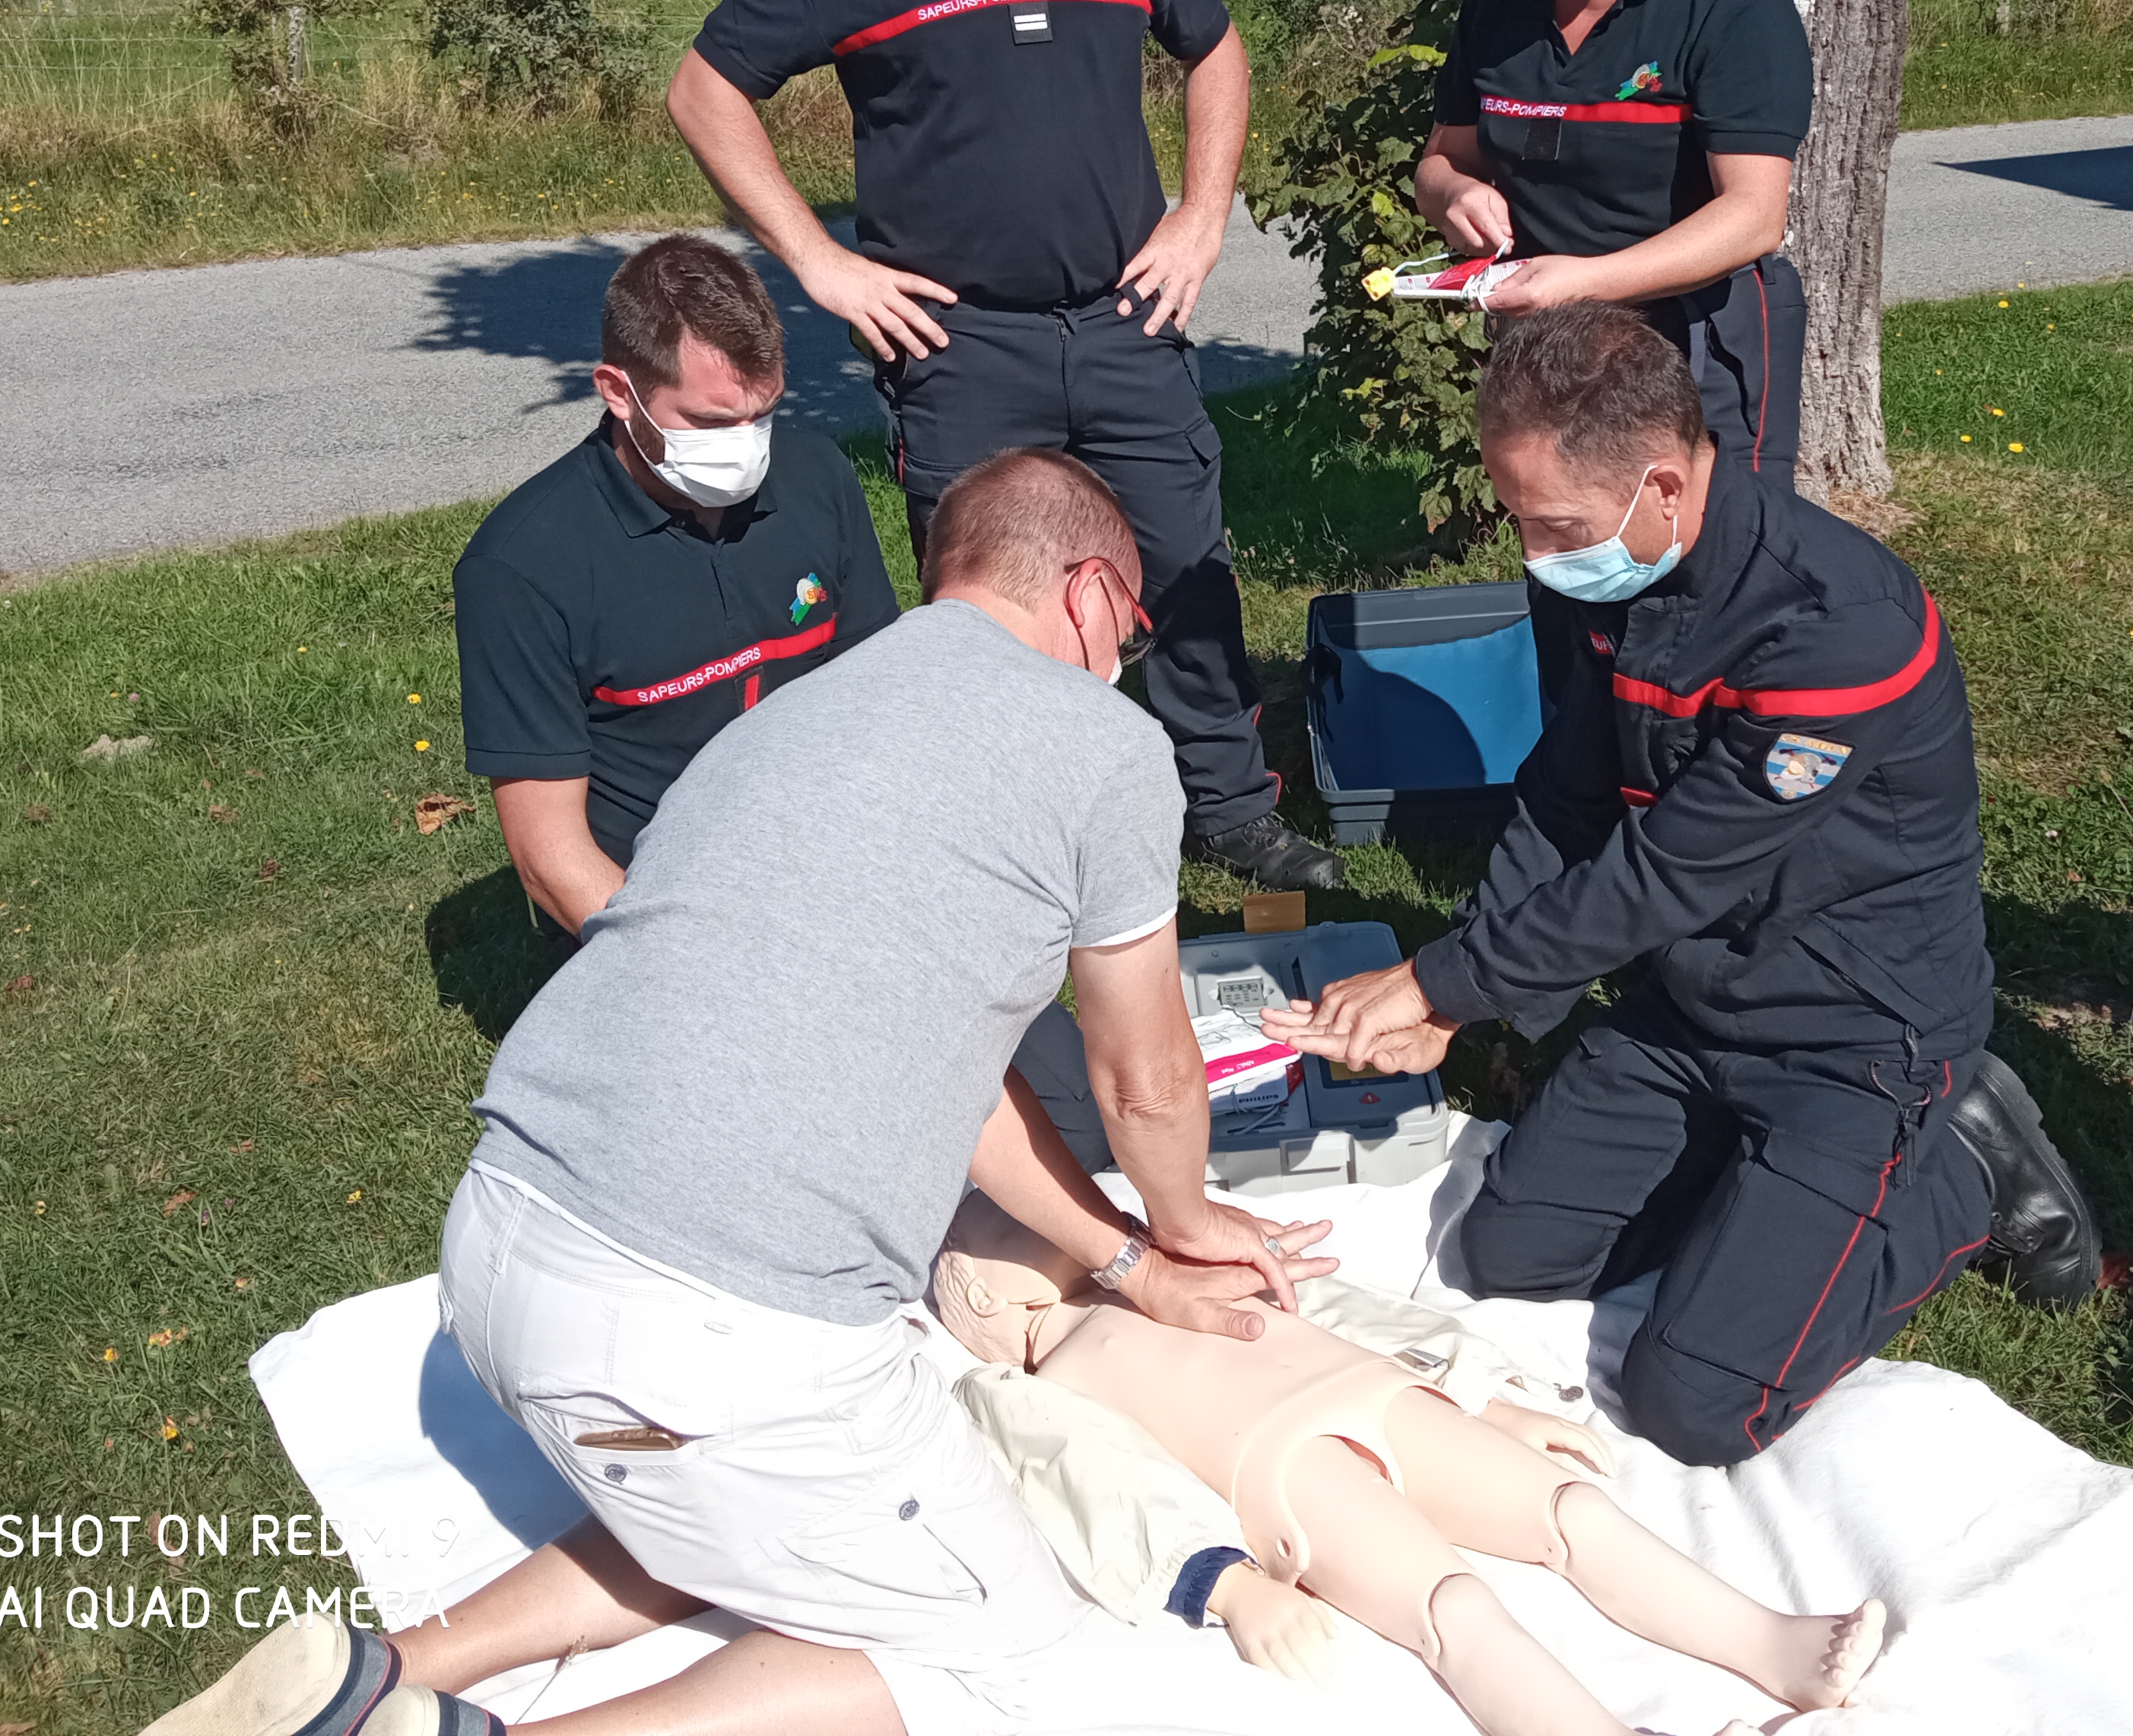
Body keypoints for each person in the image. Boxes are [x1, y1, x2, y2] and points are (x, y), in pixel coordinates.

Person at [143, 449, 1339, 1736]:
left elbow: (962, 1090)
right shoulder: (1102, 743)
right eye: (1134, 631)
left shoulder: (791, 722)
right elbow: (1146, 1073)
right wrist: (1187, 1215)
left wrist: (1123, 1265)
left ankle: (382, 1675)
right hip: (697, 1358)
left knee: (739, 1518)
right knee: (1012, 1662)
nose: (1127, 658)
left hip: (501, 1270)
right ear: (1095, 592)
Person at [1265, 305, 2100, 1468]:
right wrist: (1470, 996)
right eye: (1520, 522)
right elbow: (1568, 799)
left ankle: (1961, 1169)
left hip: (1856, 1034)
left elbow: (1666, 871)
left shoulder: (1834, 630)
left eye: (1551, 525)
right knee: (1504, 1258)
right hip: (1691, 1010)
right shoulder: (1599, 577)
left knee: (1696, 1402)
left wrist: (1437, 983)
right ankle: (1763, 1206)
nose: (1534, 555)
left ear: (1662, 485)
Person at [665, 0, 1341, 893]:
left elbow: (1217, 50)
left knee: (1187, 568)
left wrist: (1201, 218)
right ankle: (1021, 833)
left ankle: (1231, 808)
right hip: (959, 346)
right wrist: (819, 263)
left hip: (1128, 317)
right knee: (989, 609)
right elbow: (706, 92)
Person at [929, 1192, 1891, 1736]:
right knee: (1454, 1611)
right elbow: (1093, 1486)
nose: (1048, 1217)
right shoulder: (1031, 1384)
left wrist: (1483, 1393)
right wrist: (1220, 1584)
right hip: (1283, 1467)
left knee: (1568, 1514)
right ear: (979, 1302)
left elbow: (1346, 1312)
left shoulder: (1173, 1266)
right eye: (1006, 1225)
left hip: (1370, 1392)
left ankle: (1774, 1647)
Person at [451, 232, 895, 942]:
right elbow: (551, 859)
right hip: (652, 908)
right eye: (713, 422)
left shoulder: (819, 479)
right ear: (619, 394)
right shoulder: (522, 567)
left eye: (765, 413)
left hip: (824, 865)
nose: (748, 445)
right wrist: (694, 964)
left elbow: (878, 704)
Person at [1415, 0, 1814, 478]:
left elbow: (1752, 216)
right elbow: (1442, 160)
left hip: (1698, 341)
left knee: (1711, 561)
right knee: (1566, 539)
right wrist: (1453, 197)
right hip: (1548, 344)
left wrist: (1588, 283)